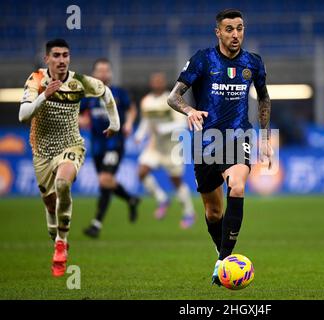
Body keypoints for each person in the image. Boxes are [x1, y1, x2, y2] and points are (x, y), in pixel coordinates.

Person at [167, 9, 273, 285]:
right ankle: (221, 251)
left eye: (239, 28)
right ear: (218, 32)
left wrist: (264, 136)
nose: (235, 34)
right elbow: (173, 97)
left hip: (239, 139)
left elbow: (263, 98)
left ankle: (222, 263)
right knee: (213, 212)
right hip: (206, 143)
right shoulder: (203, 59)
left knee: (237, 185)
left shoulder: (253, 62)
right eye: (229, 29)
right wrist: (189, 110)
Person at [18, 39, 120, 276]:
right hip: (41, 151)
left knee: (63, 183)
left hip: (71, 144)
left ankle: (61, 243)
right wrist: (45, 95)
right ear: (47, 59)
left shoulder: (79, 82)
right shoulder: (36, 79)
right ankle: (54, 231)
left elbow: (105, 92)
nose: (61, 60)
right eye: (56, 55)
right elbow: (23, 115)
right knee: (49, 202)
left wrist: (114, 123)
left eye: (65, 55)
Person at [80, 58, 140, 238]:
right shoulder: (89, 96)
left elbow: (131, 109)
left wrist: (129, 123)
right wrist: (80, 121)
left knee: (105, 179)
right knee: (104, 184)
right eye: (100, 70)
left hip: (115, 143)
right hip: (97, 144)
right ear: (94, 74)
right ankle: (130, 199)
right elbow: (81, 116)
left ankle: (96, 223)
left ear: (110, 73)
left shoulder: (119, 93)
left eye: (106, 70)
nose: (104, 73)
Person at [135, 72, 196, 229]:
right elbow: (147, 121)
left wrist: (163, 129)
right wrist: (140, 135)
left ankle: (189, 212)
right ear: (151, 83)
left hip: (172, 148)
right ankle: (162, 198)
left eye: (159, 81)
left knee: (176, 181)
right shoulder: (146, 101)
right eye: (154, 81)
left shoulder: (172, 100)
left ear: (164, 83)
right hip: (155, 147)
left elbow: (182, 124)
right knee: (141, 172)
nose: (157, 84)